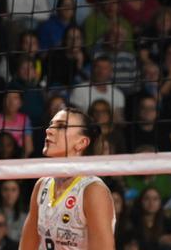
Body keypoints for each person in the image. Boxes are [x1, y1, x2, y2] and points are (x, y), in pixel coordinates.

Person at [19, 107, 116, 250]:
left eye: (61, 126)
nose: (49, 130)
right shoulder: (42, 184)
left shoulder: (93, 190)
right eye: (51, 124)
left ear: (81, 143)